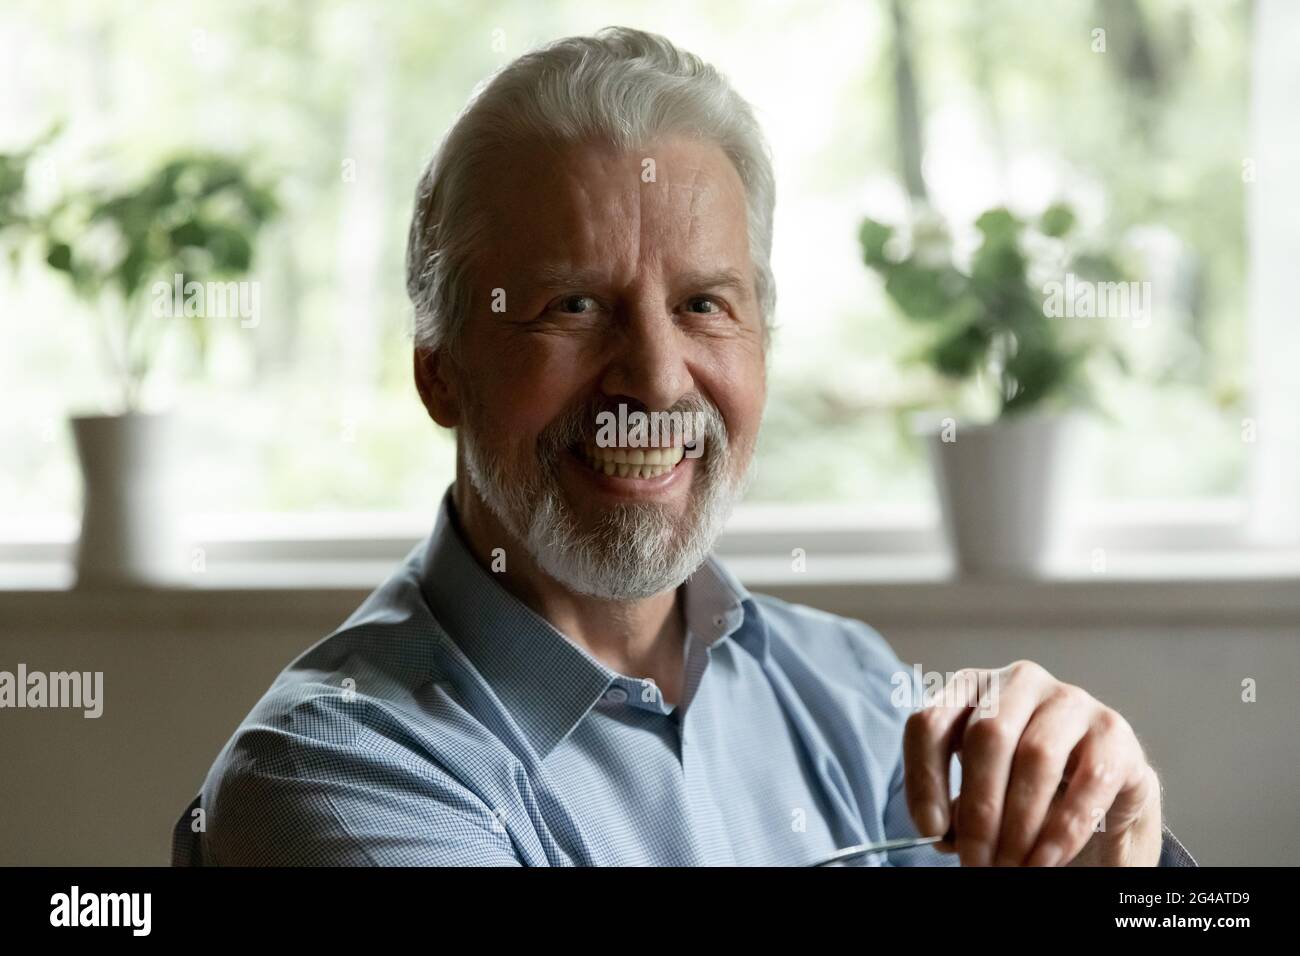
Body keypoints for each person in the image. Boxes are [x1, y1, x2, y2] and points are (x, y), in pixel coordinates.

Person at [177, 27, 1194, 867]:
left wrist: (1111, 842)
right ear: (439, 367)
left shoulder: (849, 682)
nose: (656, 378)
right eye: (571, 306)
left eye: (703, 304)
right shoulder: (334, 772)